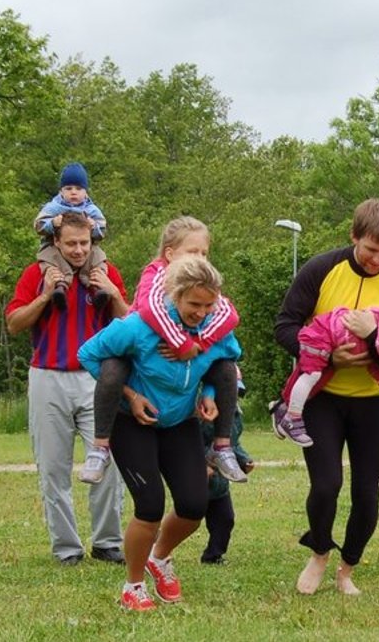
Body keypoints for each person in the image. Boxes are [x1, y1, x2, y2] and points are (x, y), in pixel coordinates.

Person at [273, 198, 379, 596]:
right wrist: (325, 358)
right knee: (325, 485)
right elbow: (285, 326)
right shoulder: (321, 269)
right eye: (371, 249)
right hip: (324, 397)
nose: (377, 260)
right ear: (354, 236)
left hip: (374, 401)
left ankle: (348, 567)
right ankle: (319, 551)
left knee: (366, 491)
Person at [79, 255, 242, 611]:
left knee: (194, 505)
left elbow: (224, 362)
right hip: (132, 422)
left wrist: (210, 395)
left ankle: (160, 557)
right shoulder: (138, 326)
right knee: (150, 506)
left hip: (179, 422)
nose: (200, 312)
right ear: (175, 295)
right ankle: (133, 585)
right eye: (193, 304)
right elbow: (88, 354)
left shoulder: (214, 329)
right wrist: (131, 396)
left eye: (208, 305)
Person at [78, 216, 243, 485]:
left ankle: (223, 446)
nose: (200, 258)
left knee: (227, 367)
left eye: (204, 253)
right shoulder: (155, 276)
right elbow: (150, 309)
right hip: (136, 359)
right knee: (113, 368)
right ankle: (100, 447)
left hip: (181, 385)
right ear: (169, 254)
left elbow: (229, 315)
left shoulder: (202, 288)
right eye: (192, 252)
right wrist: (181, 343)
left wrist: (199, 345)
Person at [4, 211, 127, 566]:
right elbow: (13, 323)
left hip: (96, 378)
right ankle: (67, 548)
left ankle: (107, 542)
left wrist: (113, 293)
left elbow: (132, 322)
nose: (77, 250)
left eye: (83, 243)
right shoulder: (37, 273)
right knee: (53, 467)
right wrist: (43, 296)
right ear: (56, 242)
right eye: (70, 243)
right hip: (48, 375)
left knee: (108, 461)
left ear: (93, 241)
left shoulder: (105, 272)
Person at [269, 307, 379, 447]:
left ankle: (282, 408)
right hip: (323, 334)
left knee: (319, 379)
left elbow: (372, 356)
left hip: (333, 339)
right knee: (312, 375)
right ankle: (292, 417)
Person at [33, 162, 110, 309]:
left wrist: (94, 227)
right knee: (48, 259)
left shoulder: (91, 209)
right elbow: (38, 225)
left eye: (78, 188)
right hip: (54, 246)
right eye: (68, 188)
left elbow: (102, 231)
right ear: (61, 191)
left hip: (88, 248)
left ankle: (97, 289)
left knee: (99, 257)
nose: (73, 192)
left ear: (86, 192)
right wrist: (52, 223)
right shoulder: (54, 207)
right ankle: (60, 287)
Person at [200, 368, 255, 565]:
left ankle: (213, 556)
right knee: (187, 516)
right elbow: (190, 441)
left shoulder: (234, 415)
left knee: (225, 518)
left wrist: (243, 459)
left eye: (236, 393)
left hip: (220, 480)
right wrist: (201, 465)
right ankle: (158, 549)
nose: (232, 397)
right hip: (200, 477)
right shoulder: (202, 413)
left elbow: (233, 443)